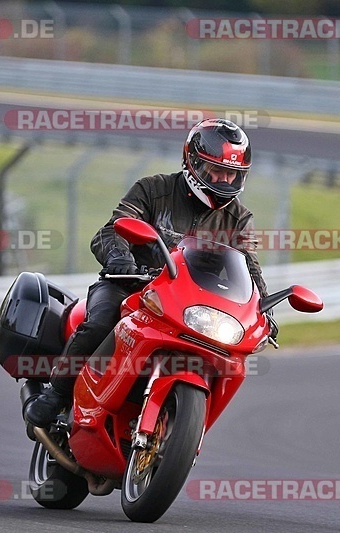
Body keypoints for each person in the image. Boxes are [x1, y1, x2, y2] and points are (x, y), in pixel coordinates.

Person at [25, 118, 276, 428]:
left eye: (232, 174)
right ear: (193, 162)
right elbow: (111, 230)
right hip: (132, 285)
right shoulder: (154, 189)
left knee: (227, 355)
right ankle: (57, 394)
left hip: (187, 303)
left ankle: (179, 427)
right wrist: (119, 258)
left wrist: (262, 309)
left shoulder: (238, 218)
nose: (224, 181)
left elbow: (249, 264)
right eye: (217, 171)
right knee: (101, 321)